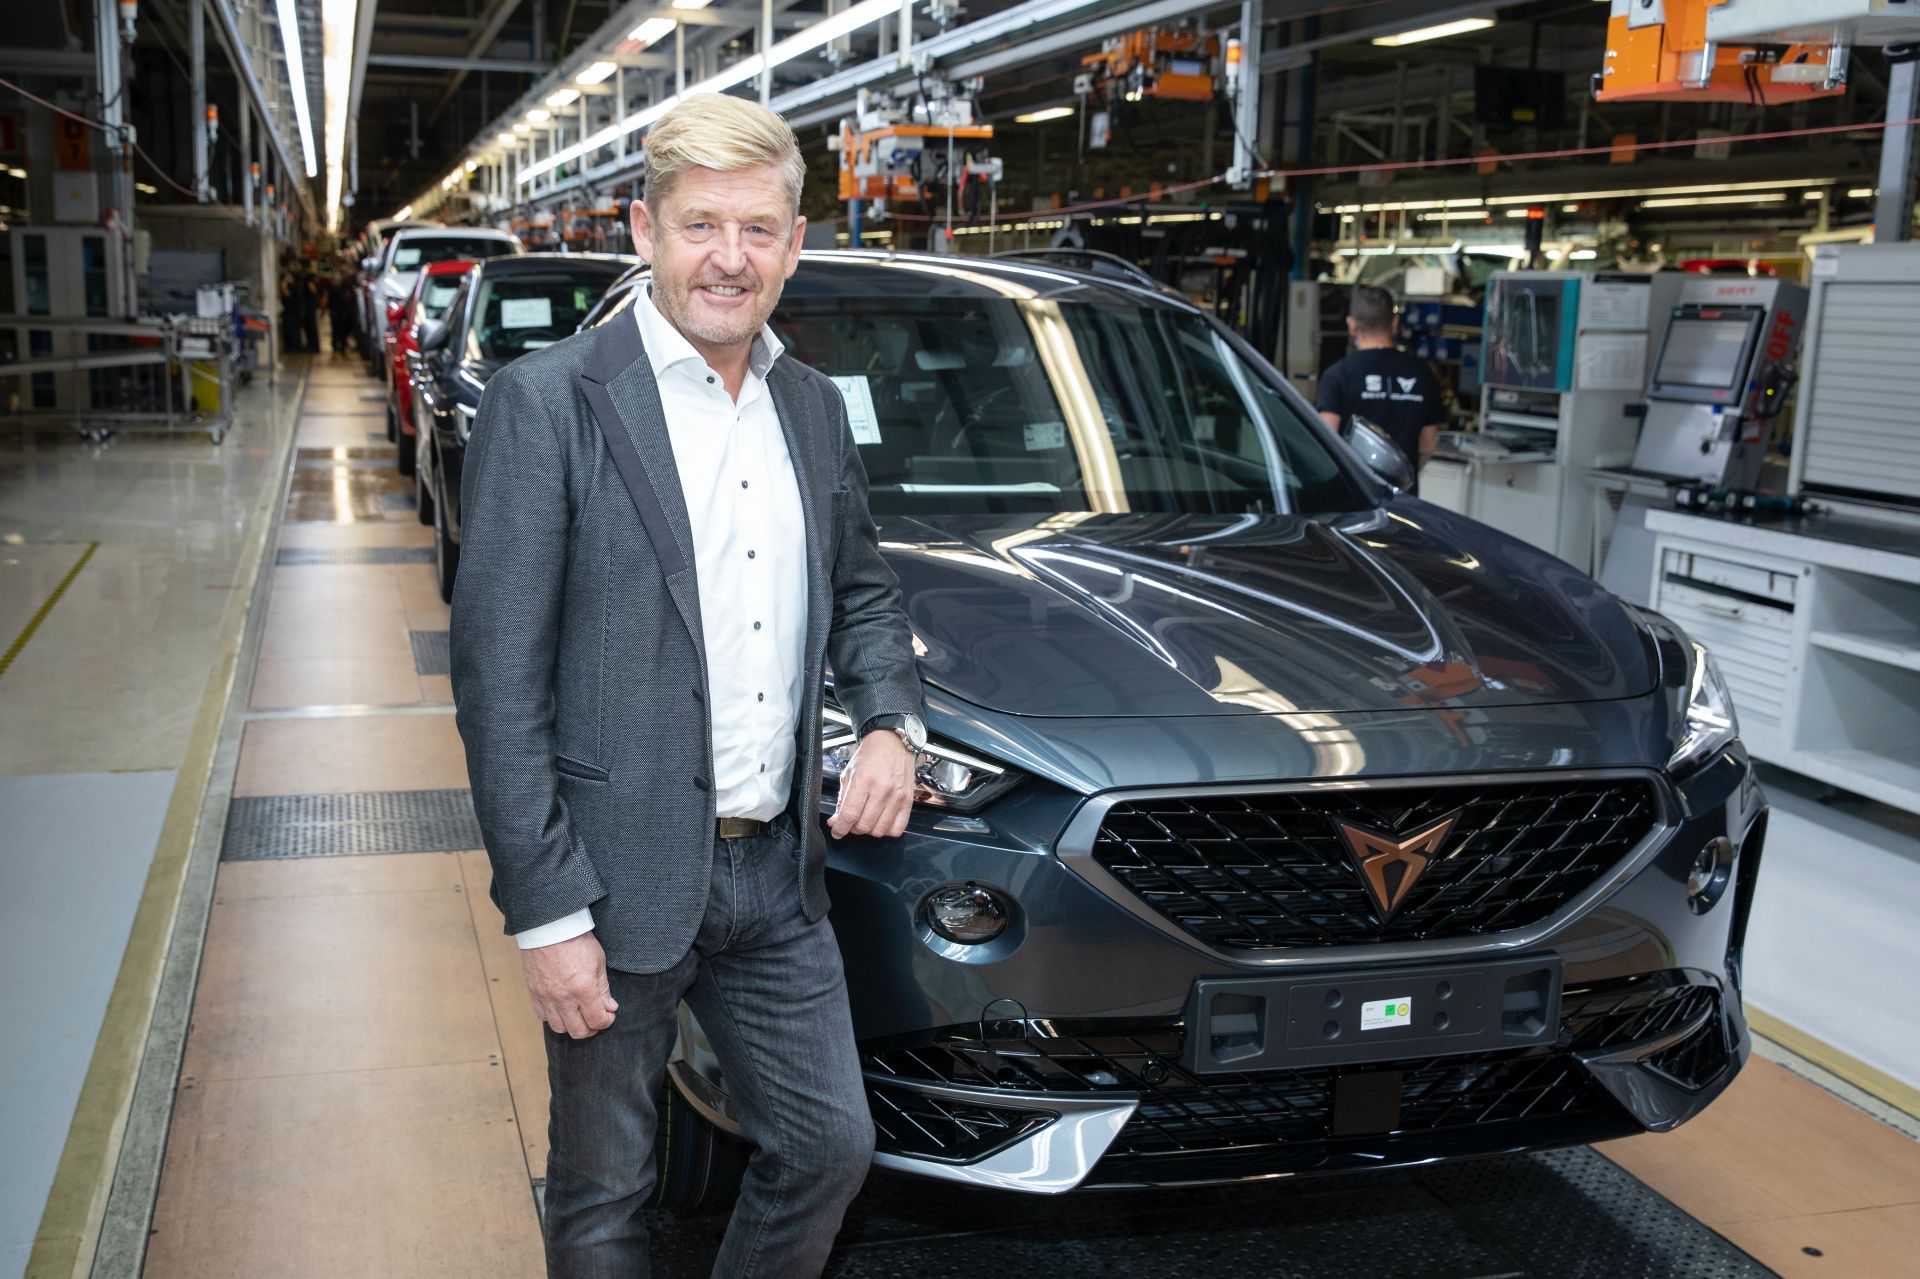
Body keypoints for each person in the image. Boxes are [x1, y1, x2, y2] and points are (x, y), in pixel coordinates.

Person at [449, 93, 925, 1279]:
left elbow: (864, 593)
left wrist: (889, 725)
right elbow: (498, 685)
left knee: (827, 1145)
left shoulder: (809, 408)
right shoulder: (551, 402)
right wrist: (547, 912)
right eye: (702, 223)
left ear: (795, 243)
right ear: (644, 229)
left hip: (775, 873)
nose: (731, 256)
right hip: (614, 877)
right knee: (607, 1191)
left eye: (759, 228)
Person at [1316, 284, 1448, 493]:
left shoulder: (1338, 374)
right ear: (1395, 323)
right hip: (1404, 498)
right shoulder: (1422, 373)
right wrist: (1404, 477)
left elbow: (1326, 440)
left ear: (1352, 325)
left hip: (1353, 497)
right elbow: (1428, 441)